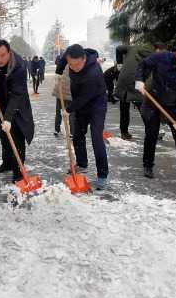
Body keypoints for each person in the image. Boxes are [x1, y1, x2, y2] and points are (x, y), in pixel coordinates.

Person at [135, 42, 176, 179]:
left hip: (174, 104)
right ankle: (148, 165)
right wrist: (139, 80)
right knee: (151, 133)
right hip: (153, 99)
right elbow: (143, 65)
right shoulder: (162, 57)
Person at [56, 44, 108, 190]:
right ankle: (82, 163)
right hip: (80, 100)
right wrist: (59, 72)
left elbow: (84, 98)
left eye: (77, 65)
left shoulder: (94, 73)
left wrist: (68, 109)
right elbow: (63, 59)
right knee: (78, 134)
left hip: (96, 104)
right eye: (70, 65)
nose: (73, 68)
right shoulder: (71, 56)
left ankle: (102, 175)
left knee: (96, 137)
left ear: (84, 59)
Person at [0, 39, 34, 183]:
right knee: (3, 136)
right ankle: (7, 163)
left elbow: (17, 94)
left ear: (9, 52)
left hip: (17, 106)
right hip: (1, 103)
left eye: (3, 55)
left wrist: (8, 118)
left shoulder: (19, 66)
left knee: (16, 138)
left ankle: (19, 171)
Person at [114, 44, 155, 140]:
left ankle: (124, 132)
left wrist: (120, 64)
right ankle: (151, 131)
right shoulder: (153, 56)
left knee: (124, 107)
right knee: (143, 107)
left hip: (123, 79)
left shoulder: (132, 48)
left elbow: (118, 48)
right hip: (136, 81)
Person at [53, 62, 75, 137]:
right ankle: (72, 132)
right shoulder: (75, 66)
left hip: (60, 93)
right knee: (72, 113)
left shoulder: (61, 65)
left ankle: (57, 129)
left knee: (58, 112)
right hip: (69, 94)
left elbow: (56, 79)